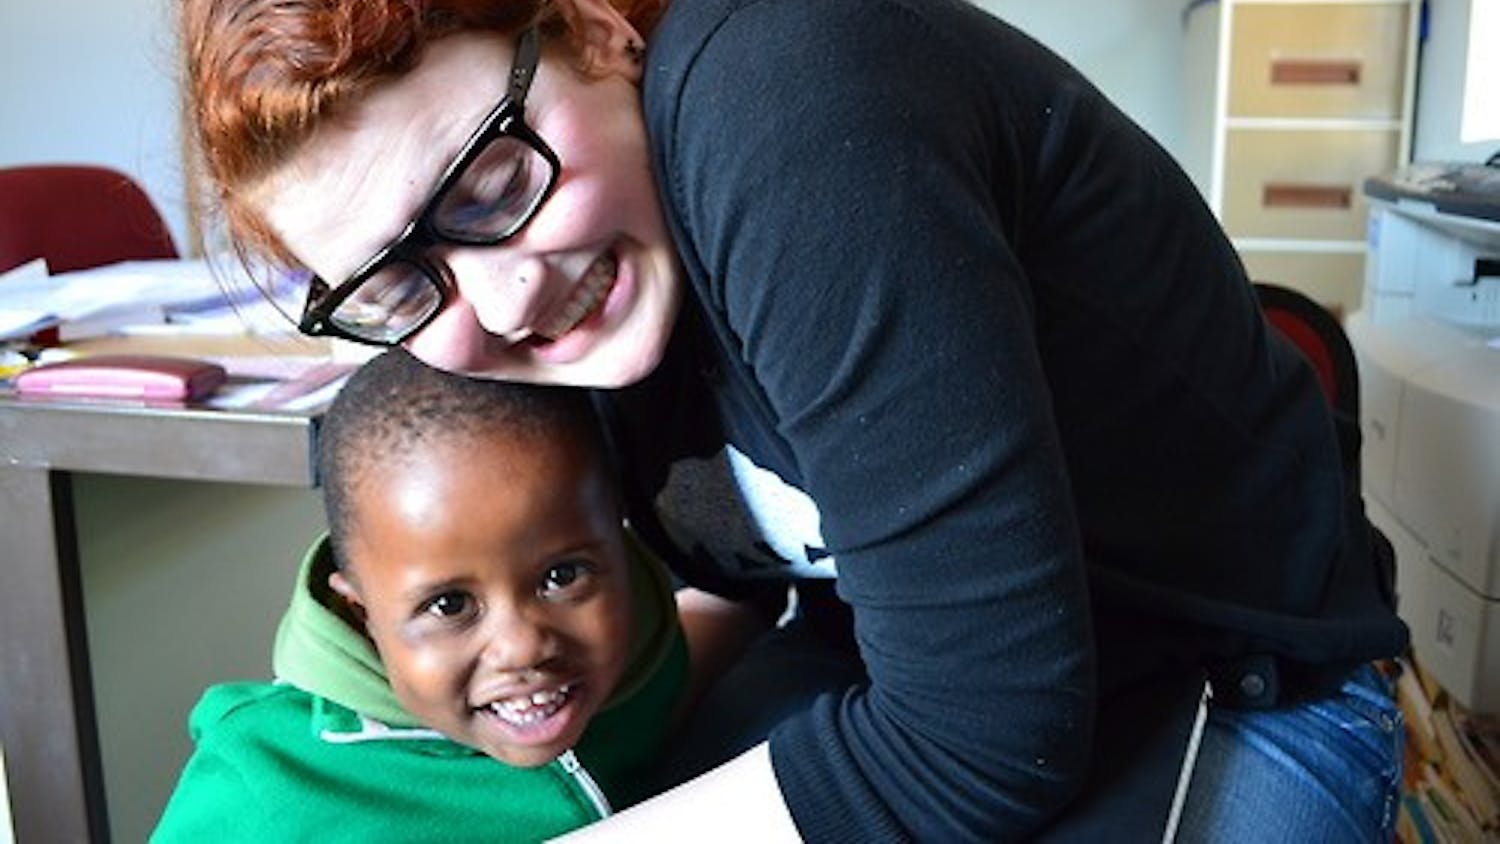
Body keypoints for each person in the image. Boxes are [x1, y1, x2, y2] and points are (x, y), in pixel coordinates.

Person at [177, 0, 1411, 839]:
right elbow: (732, 576)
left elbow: (989, 740)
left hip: (1227, 686)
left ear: (594, 27)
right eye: (399, 281)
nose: (505, 297)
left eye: (496, 181)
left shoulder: (791, 104)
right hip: (878, 666)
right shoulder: (545, 307)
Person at [151, 348, 689, 841]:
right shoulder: (267, 774)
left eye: (562, 577)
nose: (522, 647)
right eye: (450, 606)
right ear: (361, 617)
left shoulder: (646, 661)